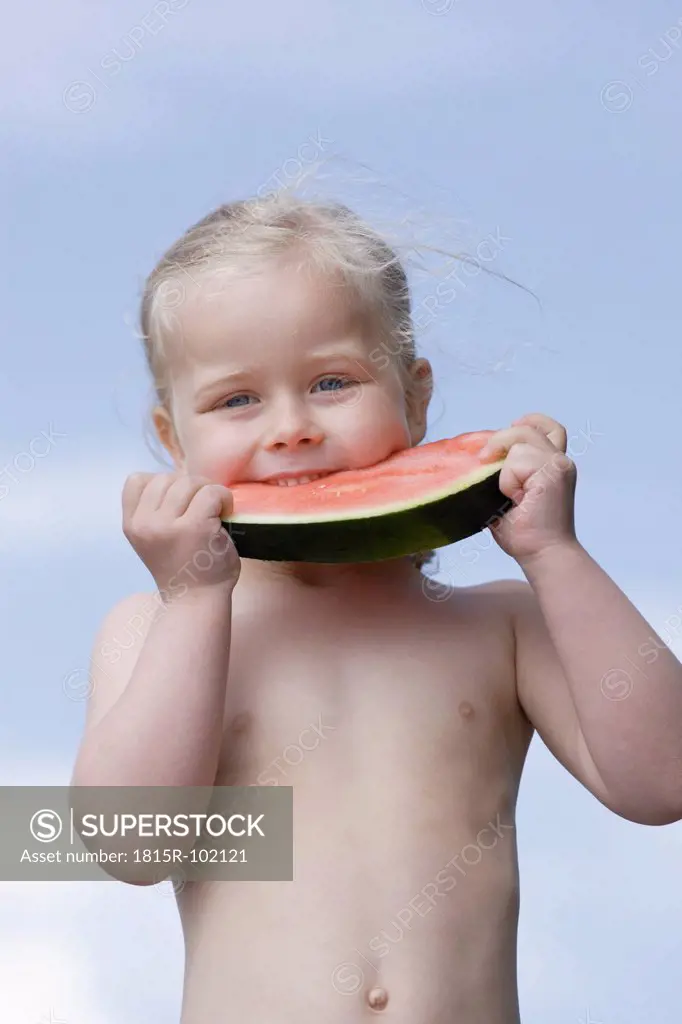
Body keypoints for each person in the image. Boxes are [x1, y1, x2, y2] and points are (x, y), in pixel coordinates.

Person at [71, 192, 682, 1023]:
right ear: (172, 440)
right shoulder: (150, 628)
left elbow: (663, 783)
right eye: (236, 399)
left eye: (331, 381)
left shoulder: (500, 625)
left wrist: (556, 555)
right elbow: (133, 848)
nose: (290, 427)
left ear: (416, 396)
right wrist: (191, 603)